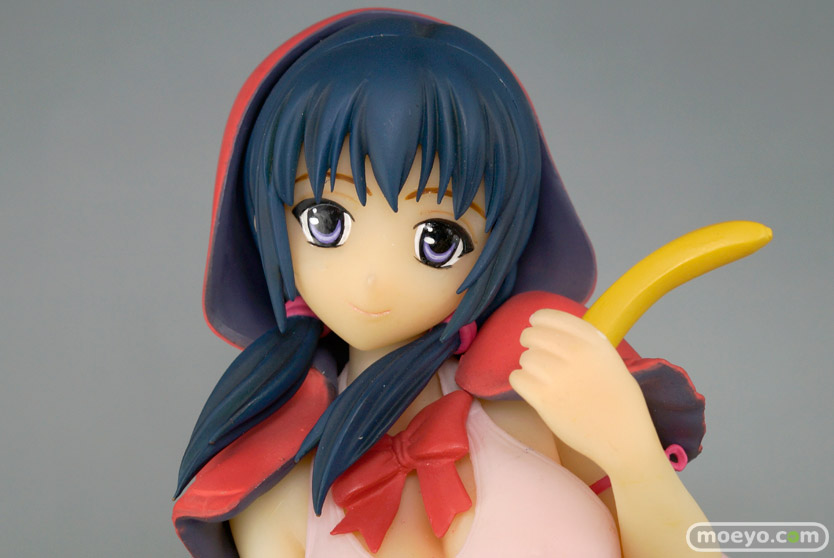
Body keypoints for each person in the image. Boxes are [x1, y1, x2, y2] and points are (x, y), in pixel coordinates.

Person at [173, 9, 714, 557]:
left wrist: (633, 455)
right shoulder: (277, 484)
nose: (373, 279)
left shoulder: (537, 403)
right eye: (326, 221)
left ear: (503, 237)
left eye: (438, 238)